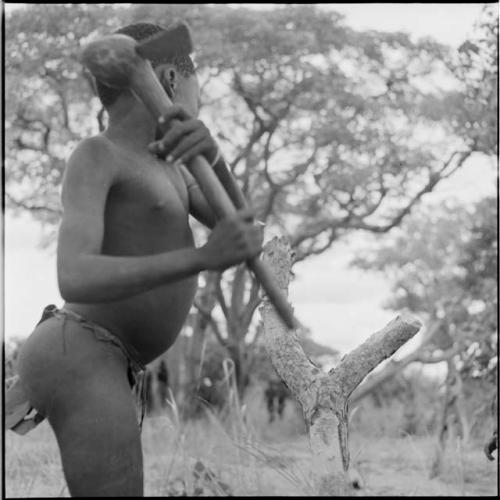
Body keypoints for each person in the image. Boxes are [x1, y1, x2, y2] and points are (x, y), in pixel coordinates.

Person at [9, 22, 263, 497]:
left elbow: (249, 235)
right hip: (80, 350)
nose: (198, 104)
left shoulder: (173, 170)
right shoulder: (97, 156)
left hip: (107, 358)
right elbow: (75, 275)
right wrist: (202, 259)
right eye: (197, 91)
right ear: (170, 82)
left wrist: (217, 160)